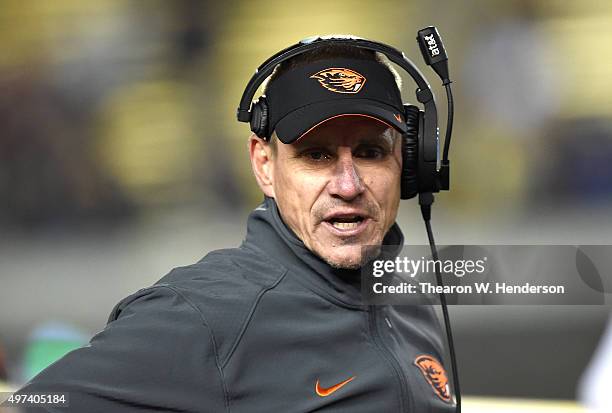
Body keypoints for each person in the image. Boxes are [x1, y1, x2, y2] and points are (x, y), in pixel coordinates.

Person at [16, 41, 455, 412]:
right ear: (264, 165)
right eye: (316, 155)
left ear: (408, 163)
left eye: (369, 152)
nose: (348, 184)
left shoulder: (407, 301)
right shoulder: (203, 314)